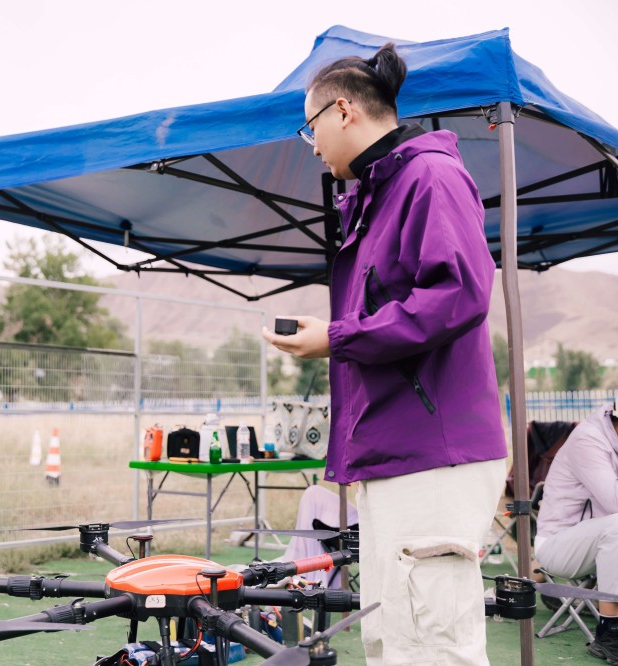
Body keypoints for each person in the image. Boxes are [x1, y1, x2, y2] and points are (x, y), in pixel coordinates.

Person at [262, 42, 508, 665]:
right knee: (392, 640)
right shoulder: (379, 193)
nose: (312, 146)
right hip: (396, 452)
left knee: (431, 648)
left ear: (343, 111)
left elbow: (459, 292)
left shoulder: (428, 175)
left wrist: (337, 338)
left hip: (433, 451)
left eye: (310, 128)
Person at [534, 401, 618, 662]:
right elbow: (614, 502)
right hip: (558, 545)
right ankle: (610, 633)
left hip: (597, 544)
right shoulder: (588, 440)